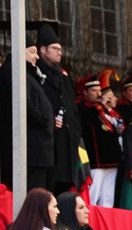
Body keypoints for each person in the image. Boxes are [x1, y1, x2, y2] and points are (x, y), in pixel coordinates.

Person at [36, 24, 84, 196]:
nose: (59, 52)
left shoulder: (63, 76)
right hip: (50, 145)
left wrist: (76, 131)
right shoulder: (37, 73)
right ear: (43, 50)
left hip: (67, 144)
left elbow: (73, 109)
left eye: (60, 49)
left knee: (64, 193)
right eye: (55, 48)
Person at [0, 39, 54, 190]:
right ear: (18, 51)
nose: (36, 57)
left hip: (37, 151)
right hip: (31, 151)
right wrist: (43, 120)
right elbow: (21, 102)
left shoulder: (26, 72)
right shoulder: (13, 71)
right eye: (32, 52)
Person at [81, 82, 125, 208]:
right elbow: (86, 122)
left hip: (112, 161)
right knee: (93, 196)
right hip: (96, 162)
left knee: (107, 199)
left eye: (100, 91)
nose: (98, 94)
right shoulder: (83, 107)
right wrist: (100, 105)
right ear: (85, 92)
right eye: (94, 91)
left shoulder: (105, 111)